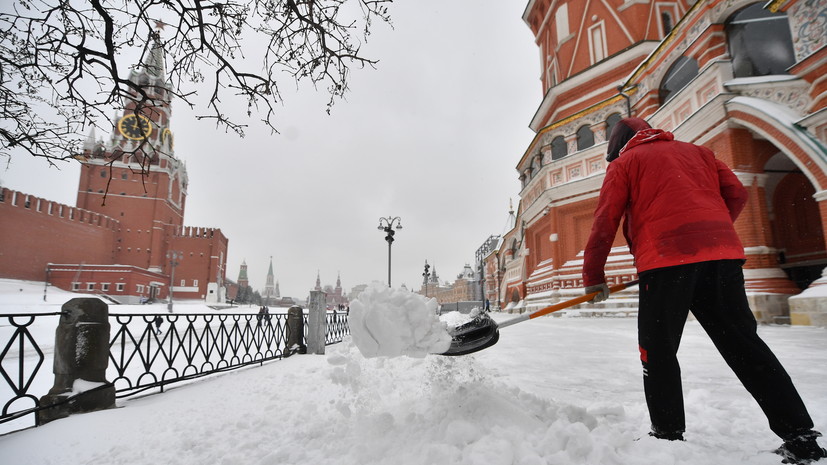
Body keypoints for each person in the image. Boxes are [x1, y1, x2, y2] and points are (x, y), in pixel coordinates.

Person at [582, 117, 825, 463]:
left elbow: (605, 219)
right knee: (746, 347)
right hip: (723, 260)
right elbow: (737, 193)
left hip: (665, 263)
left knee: (658, 351)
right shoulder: (700, 153)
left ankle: (666, 438)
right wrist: (713, 231)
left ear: (620, 145)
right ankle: (801, 438)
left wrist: (593, 275)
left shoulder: (626, 163)